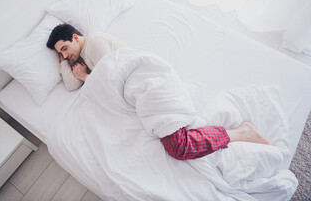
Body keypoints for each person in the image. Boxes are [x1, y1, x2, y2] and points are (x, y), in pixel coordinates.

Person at [47, 23, 269, 161]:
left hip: (144, 80)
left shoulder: (94, 42)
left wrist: (87, 77)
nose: (65, 56)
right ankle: (231, 133)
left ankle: (241, 133)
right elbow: (70, 85)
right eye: (61, 54)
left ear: (76, 37)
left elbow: (112, 79)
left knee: (179, 148)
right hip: (139, 88)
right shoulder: (82, 57)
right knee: (179, 140)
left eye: (65, 49)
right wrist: (62, 61)